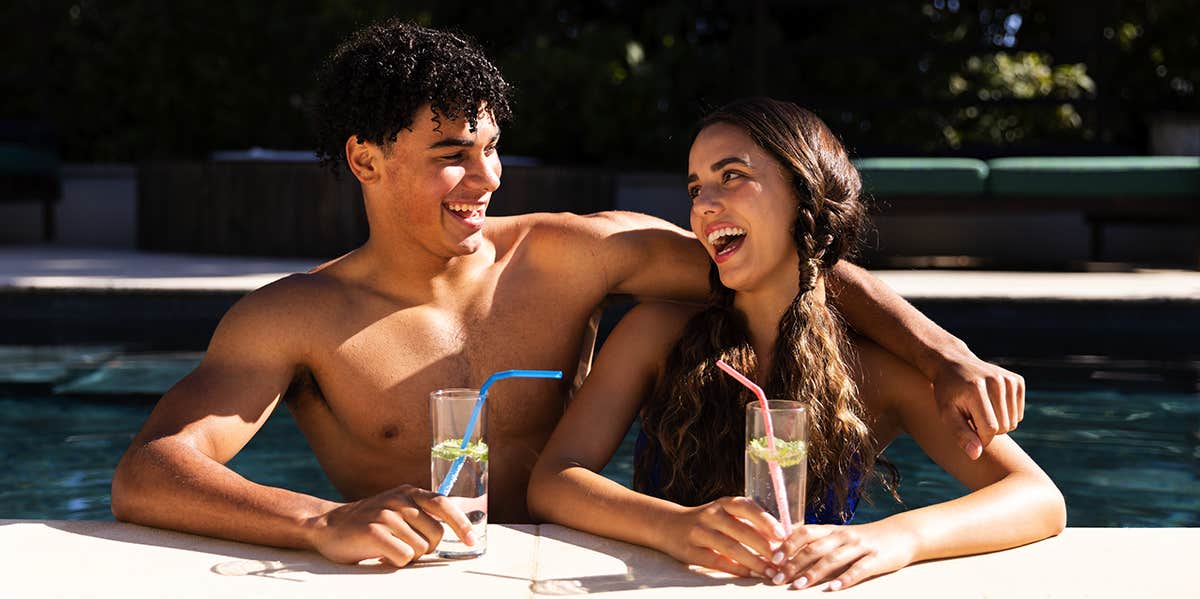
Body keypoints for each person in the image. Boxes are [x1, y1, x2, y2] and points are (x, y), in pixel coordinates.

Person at [111, 21, 1026, 568]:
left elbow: (790, 263)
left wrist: (942, 350)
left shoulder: (572, 255)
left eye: (492, 147)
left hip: (598, 561)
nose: (486, 177)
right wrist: (321, 519)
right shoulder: (295, 316)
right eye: (451, 155)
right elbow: (150, 471)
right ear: (364, 157)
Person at [527, 98, 1065, 590]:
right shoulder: (656, 334)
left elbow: (1038, 498)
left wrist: (898, 538)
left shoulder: (872, 371)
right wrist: (673, 527)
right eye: (695, 189)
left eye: (731, 176)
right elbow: (553, 481)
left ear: (803, 195)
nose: (704, 205)